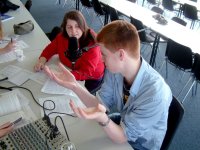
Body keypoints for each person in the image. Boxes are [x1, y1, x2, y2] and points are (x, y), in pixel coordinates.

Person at [44, 20, 172, 150]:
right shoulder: (116, 70)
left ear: (121, 55)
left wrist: (102, 117)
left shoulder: (155, 94)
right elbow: (100, 104)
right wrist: (74, 85)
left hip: (141, 144)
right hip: (124, 122)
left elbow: (122, 136)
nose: (101, 59)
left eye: (103, 54)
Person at [34, 10, 104, 93]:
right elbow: (49, 49)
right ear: (65, 28)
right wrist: (41, 61)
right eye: (69, 27)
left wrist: (64, 75)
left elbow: (86, 72)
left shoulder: (92, 45)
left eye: (77, 26)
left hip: (91, 78)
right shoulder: (61, 37)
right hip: (70, 70)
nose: (73, 31)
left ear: (83, 26)